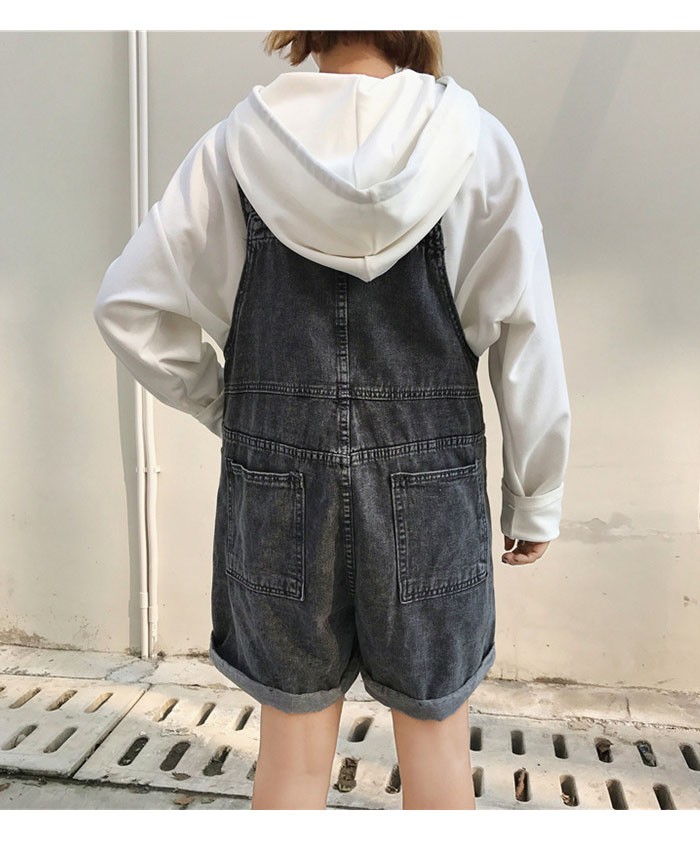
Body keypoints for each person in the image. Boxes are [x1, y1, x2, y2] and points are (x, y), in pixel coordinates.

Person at [93, 31, 571, 810]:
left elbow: (127, 305)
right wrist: (535, 494)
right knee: (437, 748)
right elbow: (527, 330)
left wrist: (225, 405)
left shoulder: (235, 148)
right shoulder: (475, 143)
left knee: (291, 754)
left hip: (278, 484)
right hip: (431, 488)